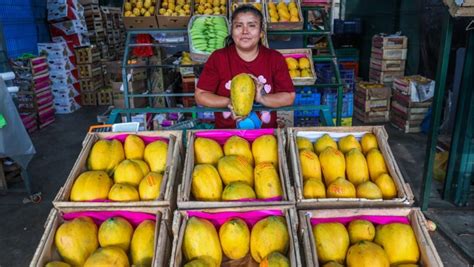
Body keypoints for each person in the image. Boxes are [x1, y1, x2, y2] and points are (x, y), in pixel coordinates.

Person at [195, 5, 295, 129]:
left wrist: (262, 98)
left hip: (265, 137)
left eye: (252, 25)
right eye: (239, 25)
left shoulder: (275, 58)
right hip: (228, 138)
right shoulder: (218, 58)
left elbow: (289, 96)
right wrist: (231, 102)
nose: (245, 31)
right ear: (231, 32)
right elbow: (201, 95)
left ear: (261, 33)